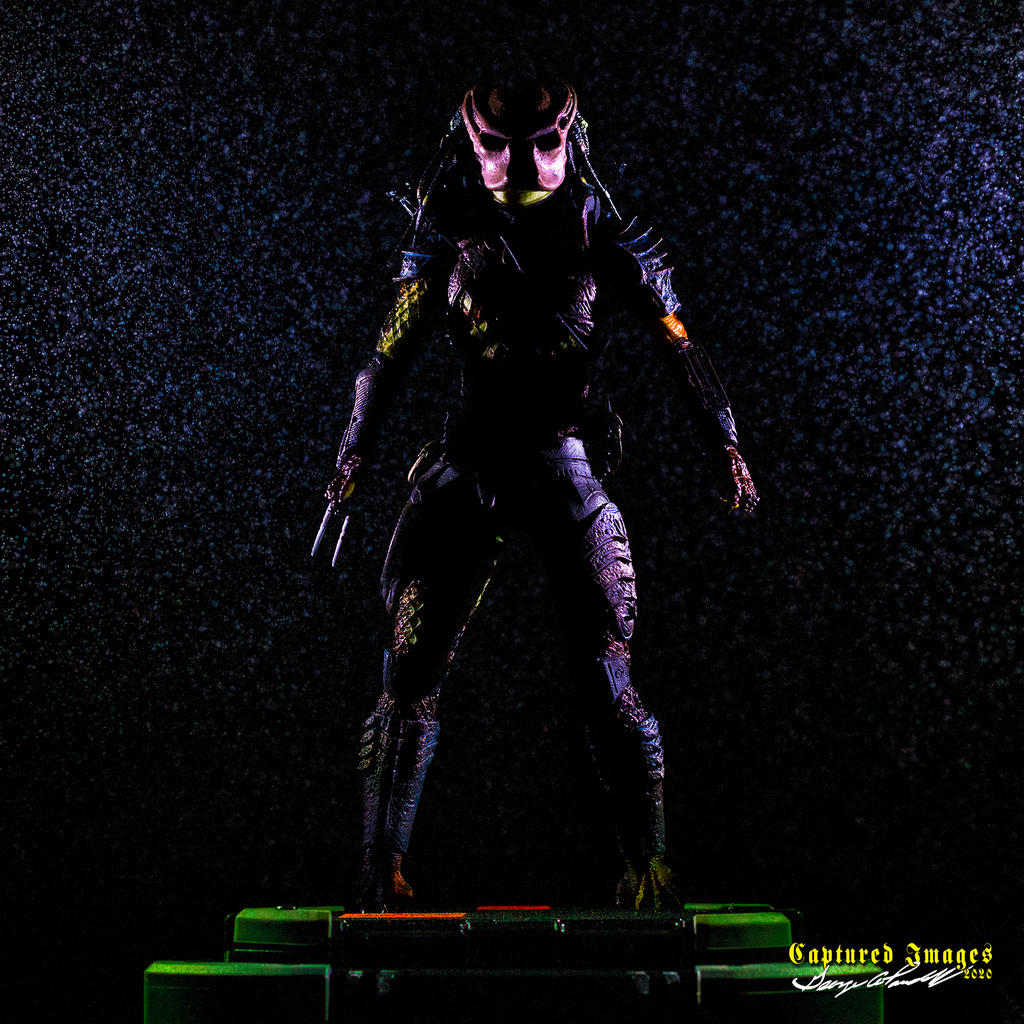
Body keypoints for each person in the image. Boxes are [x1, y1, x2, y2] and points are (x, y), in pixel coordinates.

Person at [320, 78, 758, 912]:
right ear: (469, 143)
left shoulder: (603, 232)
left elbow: (680, 345)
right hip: (469, 468)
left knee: (609, 678)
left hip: (564, 468)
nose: (519, 164)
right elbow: (387, 355)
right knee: (407, 671)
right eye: (497, 146)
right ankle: (381, 871)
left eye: (542, 144)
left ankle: (648, 868)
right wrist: (354, 452)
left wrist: (724, 440)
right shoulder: (445, 237)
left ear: (570, 139)